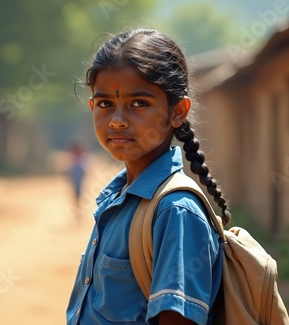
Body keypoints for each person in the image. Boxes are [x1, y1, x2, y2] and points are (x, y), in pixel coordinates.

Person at [66, 29, 231, 325]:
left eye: (139, 103)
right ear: (92, 107)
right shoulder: (117, 197)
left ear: (177, 111)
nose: (117, 121)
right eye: (105, 104)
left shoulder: (175, 212)